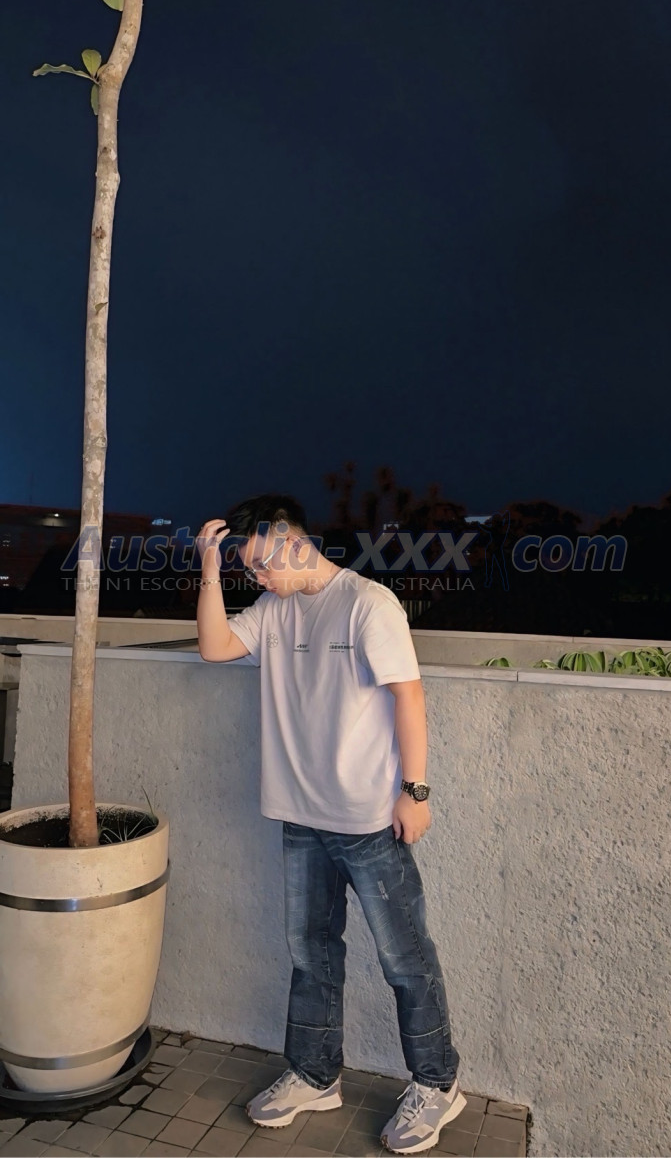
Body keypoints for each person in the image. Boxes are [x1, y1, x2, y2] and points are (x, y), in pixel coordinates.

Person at [196, 494, 466, 1155]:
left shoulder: (368, 604)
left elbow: (408, 695)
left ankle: (437, 1083)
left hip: (368, 820)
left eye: (262, 564)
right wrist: (209, 569)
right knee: (310, 955)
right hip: (300, 816)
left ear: (294, 543)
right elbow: (214, 647)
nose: (257, 577)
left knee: (405, 959)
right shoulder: (273, 610)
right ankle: (316, 1075)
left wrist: (415, 791)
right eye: (248, 569)